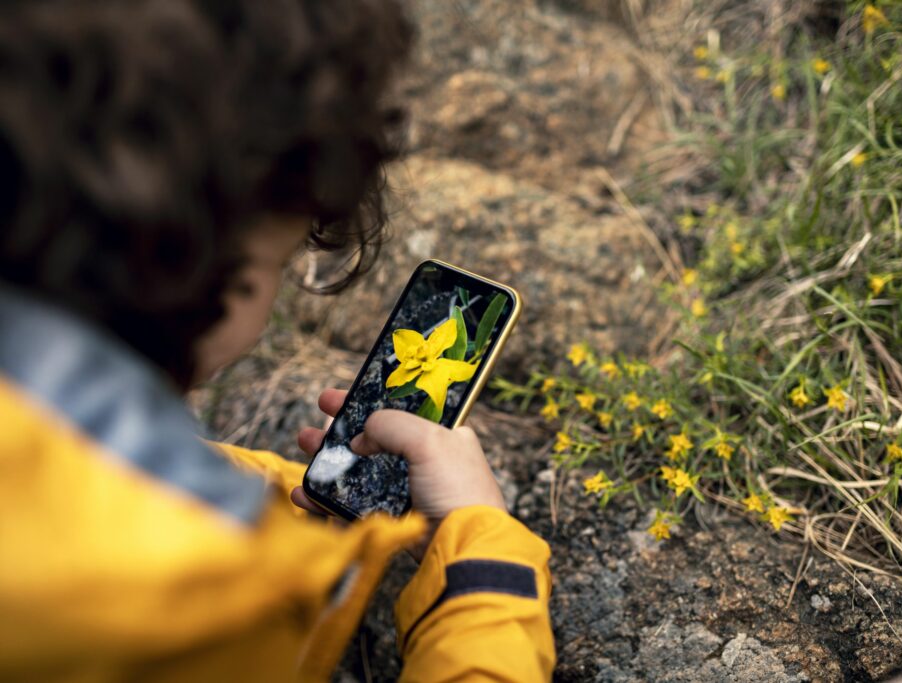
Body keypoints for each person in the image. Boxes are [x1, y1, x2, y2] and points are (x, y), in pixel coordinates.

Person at [0, 1, 555, 681]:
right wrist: (480, 559)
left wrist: (286, 499)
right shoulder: (166, 610)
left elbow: (79, 468)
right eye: (280, 263)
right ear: (198, 265)